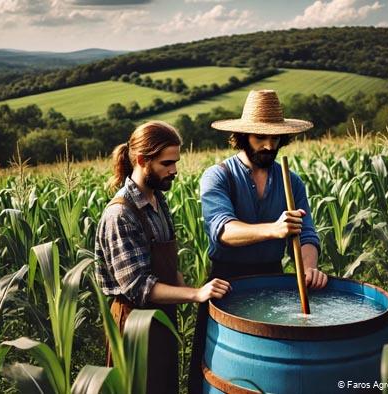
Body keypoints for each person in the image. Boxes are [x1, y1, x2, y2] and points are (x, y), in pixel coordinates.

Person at [188, 90, 329, 393]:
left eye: (274, 139)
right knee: (218, 373)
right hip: (227, 280)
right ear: (241, 136)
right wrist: (273, 230)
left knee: (273, 370)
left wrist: (307, 268)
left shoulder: (292, 181)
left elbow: (306, 233)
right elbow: (222, 230)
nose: (268, 145)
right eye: (259, 137)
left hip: (272, 277)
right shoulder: (219, 176)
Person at [94, 120, 231, 394]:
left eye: (176, 162)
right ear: (143, 160)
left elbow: (168, 265)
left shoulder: (157, 199)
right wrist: (195, 295)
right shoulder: (121, 214)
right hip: (134, 327)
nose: (175, 170)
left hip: (161, 318)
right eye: (167, 163)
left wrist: (193, 293)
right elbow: (138, 286)